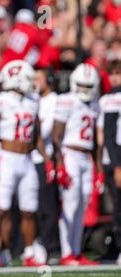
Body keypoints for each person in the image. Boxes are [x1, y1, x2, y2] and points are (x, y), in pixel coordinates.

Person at [0, 60, 53, 268]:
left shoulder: (33, 101)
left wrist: (47, 160)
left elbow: (37, 136)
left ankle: (29, 252)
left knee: (29, 209)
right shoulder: (0, 100)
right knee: (1, 207)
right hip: (6, 157)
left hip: (28, 159)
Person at [52, 63, 103, 266]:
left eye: (88, 86)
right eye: (81, 85)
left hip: (86, 158)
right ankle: (66, 252)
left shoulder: (95, 104)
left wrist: (98, 170)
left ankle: (75, 250)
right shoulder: (66, 100)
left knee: (82, 206)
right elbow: (56, 136)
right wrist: (60, 164)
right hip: (70, 154)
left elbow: (98, 143)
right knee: (71, 205)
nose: (84, 90)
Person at [31, 68, 61, 262]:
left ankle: (49, 245)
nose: (34, 82)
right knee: (27, 205)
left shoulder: (54, 100)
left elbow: (47, 128)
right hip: (28, 157)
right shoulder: (32, 99)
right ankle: (29, 245)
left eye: (38, 79)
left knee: (47, 205)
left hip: (44, 157)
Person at [100, 59, 121, 266]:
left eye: (118, 73)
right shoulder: (110, 99)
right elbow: (108, 135)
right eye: (112, 74)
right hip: (116, 157)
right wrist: (116, 166)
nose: (115, 78)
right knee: (118, 206)